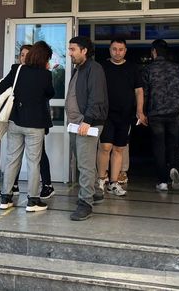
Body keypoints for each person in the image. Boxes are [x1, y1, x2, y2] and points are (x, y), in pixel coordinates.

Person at [0, 41, 55, 212]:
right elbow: (50, 93)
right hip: (35, 125)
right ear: (44, 59)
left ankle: (6, 197)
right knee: (33, 162)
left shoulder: (17, 69)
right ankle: (33, 201)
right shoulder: (45, 75)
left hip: (16, 121)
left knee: (11, 160)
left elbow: (1, 87)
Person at [141, 39, 179, 192]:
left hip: (155, 113)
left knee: (159, 146)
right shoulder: (176, 68)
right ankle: (174, 168)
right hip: (174, 112)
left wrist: (142, 112)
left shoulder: (148, 69)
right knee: (173, 144)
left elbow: (144, 93)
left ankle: (163, 182)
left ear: (154, 52)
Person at [66, 36, 108, 221]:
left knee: (85, 164)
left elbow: (97, 96)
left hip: (86, 123)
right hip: (76, 124)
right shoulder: (79, 69)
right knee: (83, 161)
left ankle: (85, 204)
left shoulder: (94, 68)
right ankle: (95, 192)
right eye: (69, 49)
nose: (70, 53)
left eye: (73, 49)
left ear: (84, 51)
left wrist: (88, 120)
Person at [97, 38, 145, 196]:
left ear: (125, 51)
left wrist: (140, 111)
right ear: (109, 50)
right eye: (114, 49)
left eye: (121, 49)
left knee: (119, 149)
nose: (117, 52)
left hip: (125, 115)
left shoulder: (133, 68)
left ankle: (113, 183)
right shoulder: (102, 67)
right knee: (105, 147)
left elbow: (139, 91)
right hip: (106, 114)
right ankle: (100, 181)